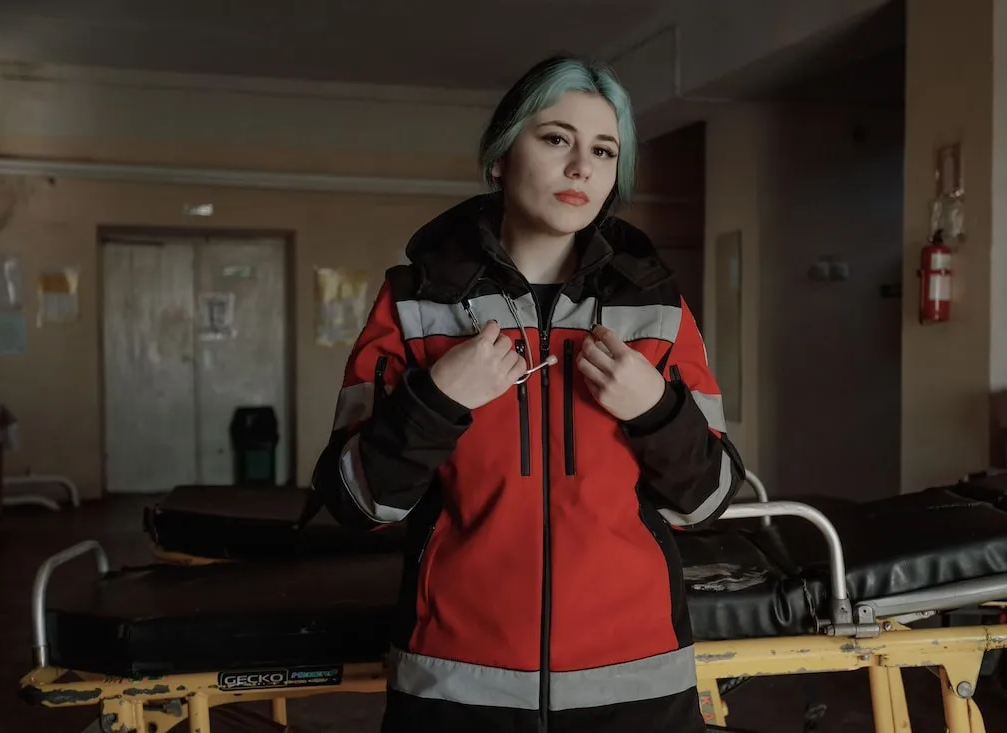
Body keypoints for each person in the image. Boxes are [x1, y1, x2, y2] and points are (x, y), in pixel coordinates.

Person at [313, 54, 746, 733]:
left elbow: (710, 497)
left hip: (636, 683)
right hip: (456, 685)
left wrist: (655, 410)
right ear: (499, 159)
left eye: (604, 150)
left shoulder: (658, 309)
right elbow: (357, 499)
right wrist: (438, 396)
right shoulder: (415, 303)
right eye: (555, 138)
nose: (582, 167)